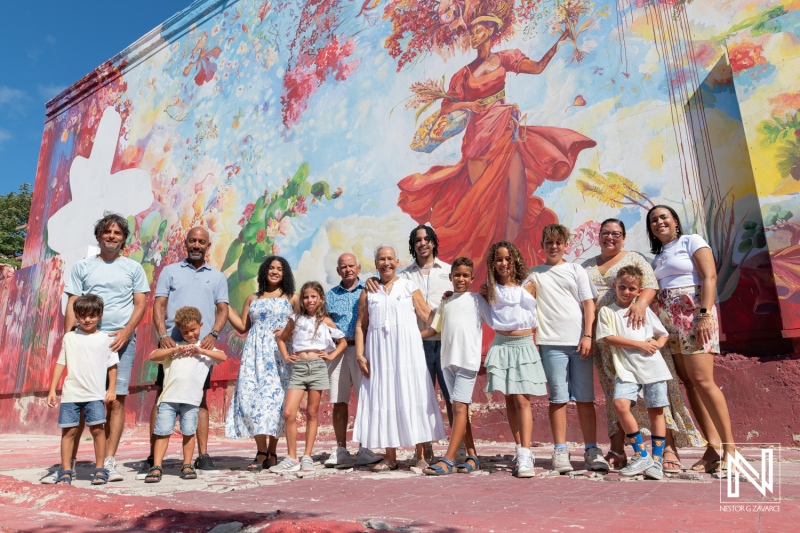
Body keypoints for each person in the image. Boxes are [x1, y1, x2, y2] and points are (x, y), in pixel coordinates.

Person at [397, 4, 596, 282]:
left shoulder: (504, 59)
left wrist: (558, 42)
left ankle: (509, 262)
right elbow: (446, 107)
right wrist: (470, 104)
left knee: (514, 205)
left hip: (504, 130)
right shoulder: (464, 73)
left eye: (478, 30)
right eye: (471, 31)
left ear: (490, 30)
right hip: (478, 139)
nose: (473, 36)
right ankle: (486, 267)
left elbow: (537, 68)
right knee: (483, 204)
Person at [581, 218, 702, 473]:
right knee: (617, 397)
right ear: (598, 236)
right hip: (609, 340)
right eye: (605, 233)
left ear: (624, 237)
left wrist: (639, 306)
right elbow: (584, 300)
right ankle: (618, 449)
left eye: (616, 233)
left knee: (659, 396)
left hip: (641, 331)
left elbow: (650, 285)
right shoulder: (587, 265)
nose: (610, 237)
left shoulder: (634, 258)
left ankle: (667, 449)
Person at [43, 213, 149, 483]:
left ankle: (109, 462)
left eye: (117, 233)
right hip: (84, 341)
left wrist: (126, 332)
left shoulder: (133, 268)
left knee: (115, 400)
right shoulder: (82, 267)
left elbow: (140, 304)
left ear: (124, 238)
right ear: (99, 235)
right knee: (78, 400)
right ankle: (70, 464)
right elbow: (72, 303)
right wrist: (69, 337)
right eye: (107, 232)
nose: (112, 236)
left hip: (119, 341)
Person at [647, 205, 736, 473]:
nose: (659, 222)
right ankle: (712, 448)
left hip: (693, 314)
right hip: (668, 320)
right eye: (653, 220)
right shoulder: (658, 257)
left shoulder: (691, 241)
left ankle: (731, 449)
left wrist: (705, 315)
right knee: (689, 383)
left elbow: (709, 276)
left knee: (703, 380)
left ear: (675, 220)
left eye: (664, 217)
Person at [138, 227, 229, 479]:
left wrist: (213, 335)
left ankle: (202, 455)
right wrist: (163, 335)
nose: (196, 245)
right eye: (192, 241)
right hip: (171, 347)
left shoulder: (218, 277)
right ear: (185, 243)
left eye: (202, 241)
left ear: (208, 246)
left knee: (199, 398)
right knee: (162, 396)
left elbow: (222, 309)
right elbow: (159, 304)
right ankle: (153, 456)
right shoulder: (170, 271)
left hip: (202, 349)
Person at [366, 225, 454, 466]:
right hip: (410, 348)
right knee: (407, 398)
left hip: (441, 343)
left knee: (447, 399)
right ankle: (419, 454)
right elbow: (366, 319)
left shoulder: (449, 271)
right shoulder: (404, 276)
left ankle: (459, 451)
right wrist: (371, 281)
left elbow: (430, 313)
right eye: (417, 240)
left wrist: (452, 306)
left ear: (434, 242)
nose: (422, 243)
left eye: (426, 239)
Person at [527, 224, 608, 473]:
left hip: (579, 343)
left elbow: (588, 304)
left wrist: (587, 335)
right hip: (551, 344)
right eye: (548, 243)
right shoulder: (534, 274)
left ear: (565, 246)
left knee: (585, 399)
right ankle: (560, 450)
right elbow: (518, 298)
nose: (553, 247)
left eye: (558, 243)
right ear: (543, 245)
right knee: (558, 398)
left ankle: (592, 450)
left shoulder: (576, 270)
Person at [596, 266, 672, 480]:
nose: (626, 292)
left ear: (639, 291)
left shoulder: (644, 309)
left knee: (656, 411)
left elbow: (663, 334)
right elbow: (608, 338)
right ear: (614, 287)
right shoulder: (607, 311)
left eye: (632, 288)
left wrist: (656, 344)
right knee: (621, 404)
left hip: (653, 368)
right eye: (622, 287)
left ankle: (656, 462)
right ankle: (641, 454)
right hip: (627, 370)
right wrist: (639, 345)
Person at [481, 241, 547, 478]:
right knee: (509, 398)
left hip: (523, 345)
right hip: (501, 344)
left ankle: (527, 452)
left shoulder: (529, 284)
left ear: (515, 259)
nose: (503, 263)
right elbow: (477, 305)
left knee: (522, 399)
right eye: (499, 259)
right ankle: (519, 449)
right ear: (493, 263)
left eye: (508, 258)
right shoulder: (490, 287)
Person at [226, 256, 298, 470]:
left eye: (280, 269)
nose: (275, 271)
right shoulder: (252, 298)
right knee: (251, 399)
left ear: (285, 273)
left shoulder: (291, 298)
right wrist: (222, 304)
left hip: (279, 355)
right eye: (271, 268)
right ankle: (261, 450)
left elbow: (302, 324)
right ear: (264, 271)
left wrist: (287, 332)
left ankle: (273, 452)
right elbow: (242, 327)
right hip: (254, 355)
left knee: (275, 401)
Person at [421, 257, 490, 476]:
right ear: (450, 277)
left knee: (459, 408)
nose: (460, 279)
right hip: (447, 362)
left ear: (471, 278)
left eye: (465, 275)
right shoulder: (446, 302)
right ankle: (472, 455)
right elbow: (433, 330)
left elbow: (495, 319)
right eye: (457, 275)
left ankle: (449, 459)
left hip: (467, 361)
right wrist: (408, 336)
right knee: (460, 409)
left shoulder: (478, 300)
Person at [270, 282, 348, 473]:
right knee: (289, 412)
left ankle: (307, 456)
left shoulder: (326, 322)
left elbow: (343, 342)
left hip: (318, 367)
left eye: (314, 296)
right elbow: (282, 339)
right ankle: (292, 457)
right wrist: (287, 357)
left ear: (321, 298)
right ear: (302, 300)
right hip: (299, 368)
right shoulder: (295, 318)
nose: (310, 300)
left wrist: (330, 356)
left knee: (312, 412)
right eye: (306, 297)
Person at [145, 307, 227, 483]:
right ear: (179, 330)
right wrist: (174, 350)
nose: (190, 334)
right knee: (163, 432)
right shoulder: (174, 348)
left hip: (191, 401)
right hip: (168, 400)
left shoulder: (205, 350)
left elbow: (223, 357)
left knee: (189, 432)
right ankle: (157, 466)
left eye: (193, 330)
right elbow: (153, 356)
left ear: (201, 326)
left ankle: (188, 464)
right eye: (185, 331)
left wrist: (201, 351)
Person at [46, 295, 118, 485]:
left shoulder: (106, 339)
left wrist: (111, 389)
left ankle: (100, 468)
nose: (87, 319)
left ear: (100, 315)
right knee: (68, 432)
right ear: (76, 316)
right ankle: (66, 470)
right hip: (71, 394)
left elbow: (112, 366)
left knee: (97, 431)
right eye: (83, 315)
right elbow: (61, 362)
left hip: (95, 394)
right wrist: (53, 389)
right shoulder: (69, 338)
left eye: (92, 315)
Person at [323, 253, 383, 469]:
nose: (347, 269)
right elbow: (322, 317)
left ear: (358, 268)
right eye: (343, 266)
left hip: (362, 351)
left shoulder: (370, 290)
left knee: (365, 399)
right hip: (338, 352)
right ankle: (341, 449)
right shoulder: (329, 295)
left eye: (351, 266)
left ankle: (365, 448)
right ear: (338, 271)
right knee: (339, 402)